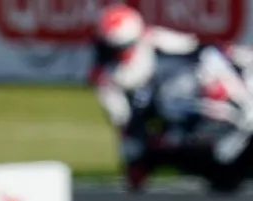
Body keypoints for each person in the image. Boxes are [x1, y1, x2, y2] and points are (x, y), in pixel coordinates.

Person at [90, 3, 253, 190]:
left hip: (218, 115)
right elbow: (125, 125)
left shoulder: (165, 44)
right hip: (182, 132)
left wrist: (225, 91)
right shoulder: (110, 82)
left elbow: (208, 53)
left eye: (121, 49)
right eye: (112, 50)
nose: (120, 56)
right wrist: (136, 162)